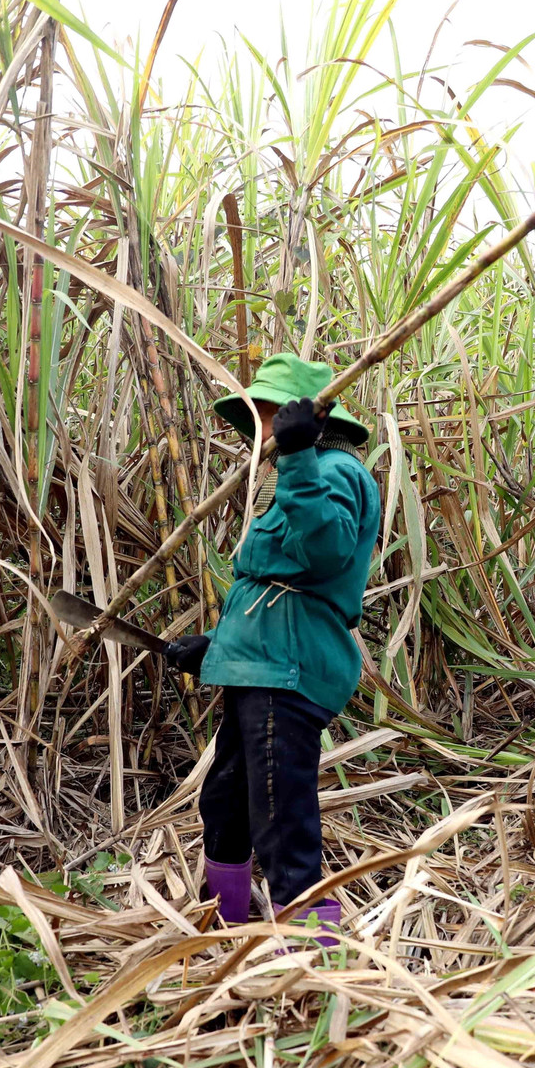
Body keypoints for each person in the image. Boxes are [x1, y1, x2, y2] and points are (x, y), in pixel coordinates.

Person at [160, 354, 381, 940]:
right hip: (262, 665)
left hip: (291, 667)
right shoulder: (297, 474)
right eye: (258, 413)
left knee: (281, 815)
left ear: (310, 417)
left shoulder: (333, 470)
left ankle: (314, 954)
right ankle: (223, 926)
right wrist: (215, 647)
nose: (260, 424)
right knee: (228, 800)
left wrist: (300, 457)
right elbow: (270, 587)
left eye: (272, 412)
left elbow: (325, 553)